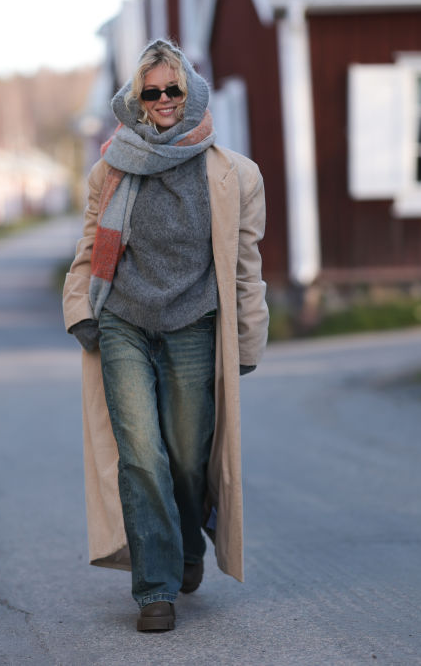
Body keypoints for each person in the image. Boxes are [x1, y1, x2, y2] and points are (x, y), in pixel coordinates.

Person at [62, 38, 268, 632]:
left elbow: (244, 268)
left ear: (191, 92)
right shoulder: (111, 167)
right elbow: (86, 252)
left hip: (193, 325)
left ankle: (187, 549)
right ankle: (155, 587)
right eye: (150, 92)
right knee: (142, 455)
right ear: (136, 99)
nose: (162, 101)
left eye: (171, 90)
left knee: (184, 456)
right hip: (123, 322)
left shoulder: (233, 175)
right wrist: (80, 308)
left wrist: (248, 340)